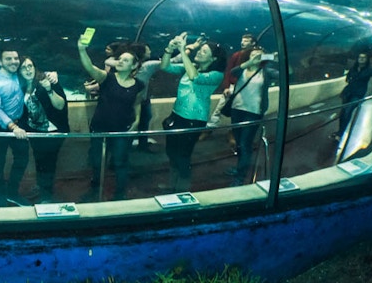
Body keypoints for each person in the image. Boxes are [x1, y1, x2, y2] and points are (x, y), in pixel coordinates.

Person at [78, 34, 144, 201]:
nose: (120, 61)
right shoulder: (107, 78)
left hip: (122, 129)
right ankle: (94, 190)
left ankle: (120, 193)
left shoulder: (138, 85)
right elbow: (90, 68)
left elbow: (137, 103)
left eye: (125, 60)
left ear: (134, 65)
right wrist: (81, 50)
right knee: (97, 161)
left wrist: (137, 121)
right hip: (100, 127)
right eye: (120, 59)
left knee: (121, 162)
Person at [160, 32, 227, 192]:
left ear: (213, 59)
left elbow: (195, 77)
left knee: (182, 156)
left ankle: (182, 190)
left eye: (204, 52)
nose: (199, 52)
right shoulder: (191, 66)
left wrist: (183, 50)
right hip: (177, 115)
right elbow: (165, 66)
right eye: (200, 50)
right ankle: (172, 186)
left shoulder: (216, 75)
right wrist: (169, 49)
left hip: (193, 119)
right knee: (171, 152)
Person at [0, 49, 30, 207]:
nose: (13, 61)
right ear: (0, 62)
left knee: (22, 158)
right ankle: (0, 194)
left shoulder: (20, 74)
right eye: (8, 59)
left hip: (19, 123)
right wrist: (12, 126)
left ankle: (12, 193)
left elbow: (35, 74)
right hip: (0, 125)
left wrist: (52, 75)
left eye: (16, 58)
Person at [19, 56, 68, 203]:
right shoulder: (20, 86)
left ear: (35, 67)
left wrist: (49, 90)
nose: (28, 70)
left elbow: (60, 105)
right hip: (34, 131)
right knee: (39, 161)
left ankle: (47, 196)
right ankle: (42, 188)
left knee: (49, 163)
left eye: (30, 66)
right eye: (23, 67)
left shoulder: (47, 81)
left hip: (53, 131)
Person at [223, 47, 275, 185]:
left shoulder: (266, 71)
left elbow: (287, 74)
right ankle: (239, 168)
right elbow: (232, 72)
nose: (255, 57)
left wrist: (275, 58)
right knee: (239, 143)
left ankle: (240, 177)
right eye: (253, 55)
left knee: (245, 144)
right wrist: (249, 62)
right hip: (237, 109)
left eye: (259, 55)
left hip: (253, 111)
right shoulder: (242, 70)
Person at [334, 43, 372, 140]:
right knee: (342, 113)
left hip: (358, 94)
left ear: (367, 59)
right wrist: (349, 79)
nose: (361, 59)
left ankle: (340, 134)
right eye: (360, 57)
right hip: (348, 92)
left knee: (348, 111)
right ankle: (339, 131)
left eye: (363, 58)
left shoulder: (371, 70)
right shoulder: (354, 68)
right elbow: (348, 78)